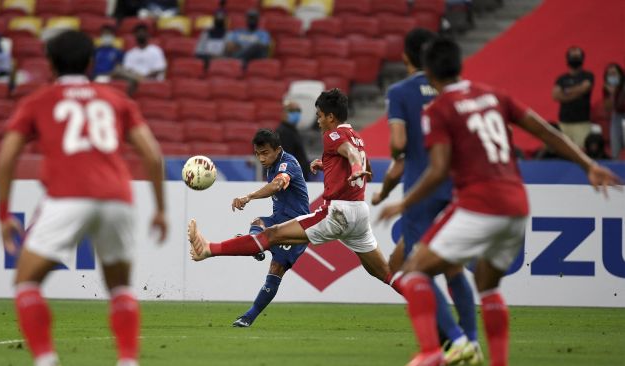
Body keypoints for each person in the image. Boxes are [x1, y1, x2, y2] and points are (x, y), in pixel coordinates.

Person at [377, 37, 621, 366]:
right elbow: (547, 132)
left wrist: (402, 204)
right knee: (488, 286)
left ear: (430, 73)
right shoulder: (493, 95)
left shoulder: (438, 110)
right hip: (517, 205)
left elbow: (436, 171)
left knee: (414, 271)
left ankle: (434, 352)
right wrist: (588, 165)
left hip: (479, 203)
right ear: (460, 65)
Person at [0, 30, 167, 366]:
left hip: (66, 197)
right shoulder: (116, 99)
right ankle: (128, 361)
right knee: (120, 286)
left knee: (26, 282)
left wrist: (4, 214)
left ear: (50, 64)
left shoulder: (38, 101)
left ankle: (46, 360)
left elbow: (6, 157)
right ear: (91, 63)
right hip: (117, 197)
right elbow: (152, 155)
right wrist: (160, 209)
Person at [188, 88, 393, 292]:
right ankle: (420, 296)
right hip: (360, 212)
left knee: (271, 235)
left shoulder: (333, 135)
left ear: (330, 116)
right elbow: (366, 167)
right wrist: (335, 166)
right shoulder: (356, 137)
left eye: (319, 116)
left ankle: (209, 249)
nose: (318, 121)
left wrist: (355, 167)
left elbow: (351, 155)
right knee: (385, 273)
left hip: (338, 212)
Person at [371, 28, 481, 365]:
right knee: (453, 268)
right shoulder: (449, 92)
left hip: (423, 190)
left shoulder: (401, 92)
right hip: (457, 188)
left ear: (405, 56)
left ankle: (457, 339)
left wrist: (386, 188)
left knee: (410, 268)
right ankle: (472, 342)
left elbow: (400, 146)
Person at [230, 129, 310, 327]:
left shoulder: (287, 164)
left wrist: (249, 196)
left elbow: (277, 186)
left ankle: (249, 317)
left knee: (276, 269)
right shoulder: (272, 166)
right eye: (258, 154)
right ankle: (256, 246)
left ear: (278, 150)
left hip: (296, 226)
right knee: (257, 222)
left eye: (265, 153)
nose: (261, 158)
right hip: (279, 219)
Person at [552, 46, 594, 148]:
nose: (575, 59)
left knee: (582, 152)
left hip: (582, 123)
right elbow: (555, 95)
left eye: (577, 56)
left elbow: (585, 88)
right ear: (568, 58)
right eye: (572, 56)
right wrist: (577, 93)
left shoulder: (588, 76)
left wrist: (566, 91)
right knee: (562, 151)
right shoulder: (561, 79)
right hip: (564, 123)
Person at [276, 100, 311, 181]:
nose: (296, 113)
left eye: (298, 111)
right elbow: (286, 159)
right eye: (292, 111)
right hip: (292, 180)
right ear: (284, 113)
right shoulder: (283, 132)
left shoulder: (293, 131)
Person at [602, 63, 625, 159]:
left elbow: (622, 105)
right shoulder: (607, 88)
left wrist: (615, 92)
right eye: (609, 74)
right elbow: (608, 108)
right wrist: (611, 94)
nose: (612, 76)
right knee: (615, 146)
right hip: (616, 117)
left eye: (614, 73)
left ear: (620, 75)